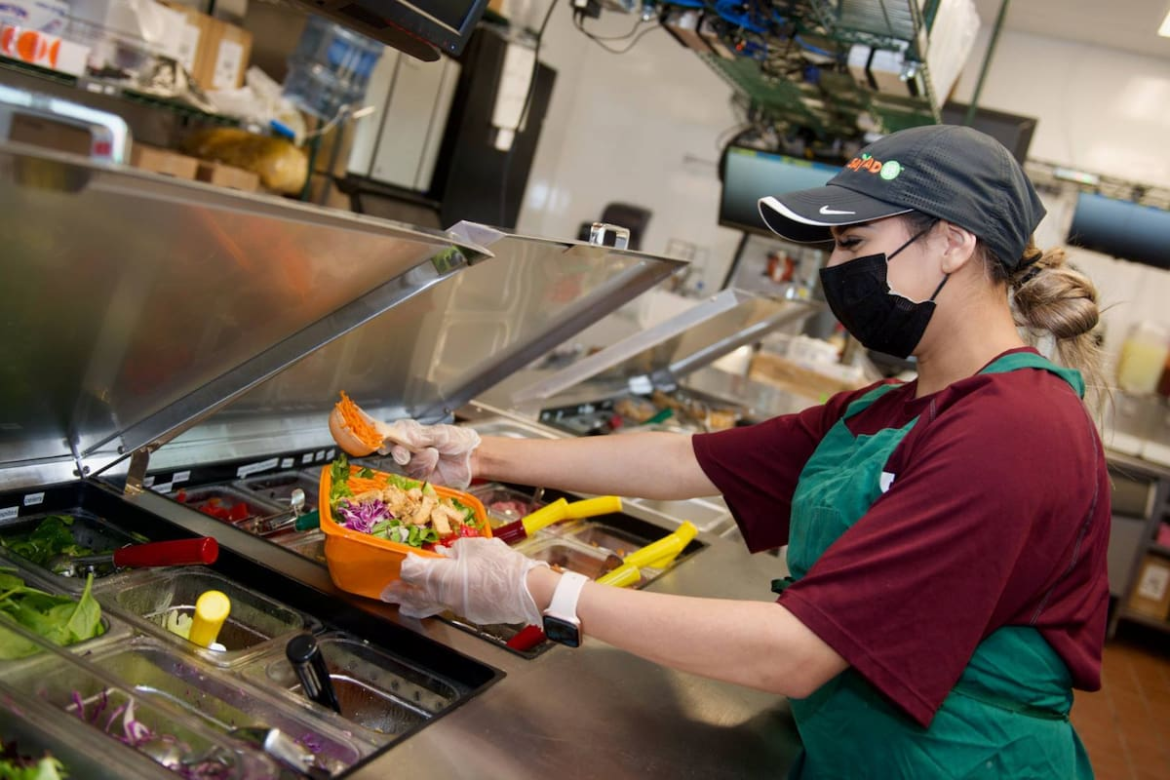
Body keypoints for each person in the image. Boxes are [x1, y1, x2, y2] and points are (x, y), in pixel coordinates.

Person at [368, 125, 1110, 779]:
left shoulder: (1018, 430)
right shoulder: (888, 408)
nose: (834, 269)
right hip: (860, 753)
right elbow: (688, 460)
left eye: (854, 243)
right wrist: (480, 454)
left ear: (953, 242)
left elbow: (796, 652)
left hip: (965, 764)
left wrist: (543, 591)